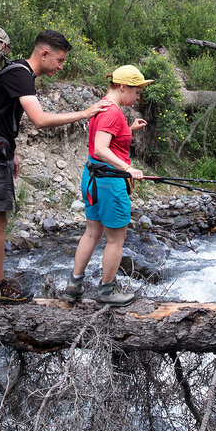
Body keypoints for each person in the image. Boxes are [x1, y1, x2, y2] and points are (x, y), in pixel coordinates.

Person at [0, 27, 111, 305]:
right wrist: (85, 113)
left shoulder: (16, 73)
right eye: (59, 60)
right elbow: (40, 119)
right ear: (44, 53)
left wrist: (12, 151)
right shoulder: (21, 76)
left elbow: (0, 117)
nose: (60, 66)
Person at [62, 65, 152, 307]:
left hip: (92, 177)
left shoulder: (104, 107)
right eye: (137, 91)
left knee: (92, 232)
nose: (138, 96)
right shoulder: (113, 112)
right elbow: (102, 149)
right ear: (123, 87)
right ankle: (107, 291)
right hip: (109, 182)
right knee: (115, 240)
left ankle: (74, 285)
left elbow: (105, 141)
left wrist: (128, 129)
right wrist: (127, 168)